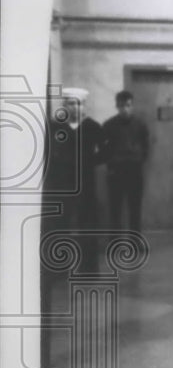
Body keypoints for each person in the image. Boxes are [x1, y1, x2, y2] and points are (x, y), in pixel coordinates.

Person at [42, 87, 105, 272]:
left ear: (84, 106)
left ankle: (89, 269)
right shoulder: (55, 127)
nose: (75, 108)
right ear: (64, 106)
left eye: (79, 104)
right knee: (59, 224)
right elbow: (46, 152)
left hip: (86, 183)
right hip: (61, 184)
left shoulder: (92, 126)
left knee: (88, 224)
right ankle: (59, 267)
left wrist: (90, 161)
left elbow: (107, 150)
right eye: (71, 103)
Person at [101, 90, 149, 232]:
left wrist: (139, 160)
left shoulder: (140, 124)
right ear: (116, 106)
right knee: (115, 207)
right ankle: (115, 240)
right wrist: (111, 163)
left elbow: (146, 146)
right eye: (121, 106)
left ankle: (135, 240)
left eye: (128, 105)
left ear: (132, 105)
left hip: (134, 170)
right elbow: (104, 148)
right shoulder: (108, 125)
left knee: (135, 207)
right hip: (116, 171)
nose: (125, 109)